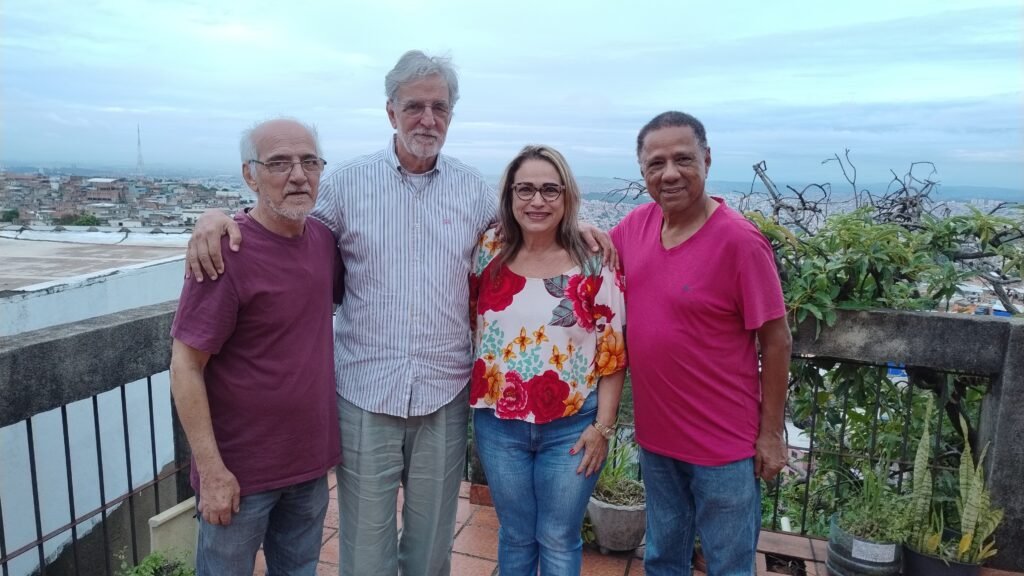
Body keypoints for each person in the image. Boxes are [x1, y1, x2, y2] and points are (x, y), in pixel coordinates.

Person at [184, 51, 614, 576]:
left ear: (451, 115)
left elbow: (530, 228)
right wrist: (216, 217)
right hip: (366, 393)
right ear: (391, 112)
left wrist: (580, 227)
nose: (427, 119)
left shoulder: (472, 190)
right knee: (366, 553)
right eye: (414, 106)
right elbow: (284, 224)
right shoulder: (346, 184)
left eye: (439, 107)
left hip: (443, 393)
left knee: (431, 552)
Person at [609, 111, 792, 576]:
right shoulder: (636, 227)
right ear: (643, 171)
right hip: (657, 439)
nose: (669, 173)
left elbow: (777, 341)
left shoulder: (739, 241)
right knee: (662, 558)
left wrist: (771, 435)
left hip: (724, 446)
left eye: (683, 159)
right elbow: (585, 255)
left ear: (707, 160)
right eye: (656, 163)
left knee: (728, 564)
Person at [169, 118, 342, 576]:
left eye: (309, 162)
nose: (298, 175)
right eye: (279, 163)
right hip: (239, 474)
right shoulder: (225, 253)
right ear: (250, 175)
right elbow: (185, 365)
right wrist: (211, 471)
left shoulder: (323, 242)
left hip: (308, 465)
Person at [469, 145, 627, 575]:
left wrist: (603, 428)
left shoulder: (594, 263)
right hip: (499, 424)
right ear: (510, 194)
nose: (537, 201)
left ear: (566, 195)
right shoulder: (489, 249)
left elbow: (613, 354)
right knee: (516, 534)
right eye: (525, 189)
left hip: (572, 429)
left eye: (549, 190)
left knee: (558, 537)